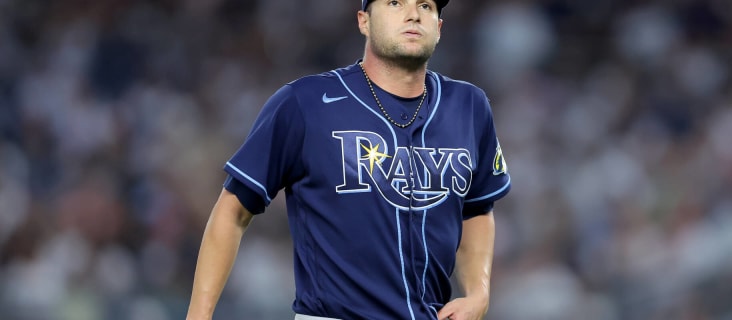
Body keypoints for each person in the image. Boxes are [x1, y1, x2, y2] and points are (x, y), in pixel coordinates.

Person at [186, 0, 510, 319]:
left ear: (438, 28)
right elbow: (233, 209)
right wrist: (199, 315)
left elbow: (478, 208)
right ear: (363, 21)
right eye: (395, 3)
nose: (413, 14)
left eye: (425, 6)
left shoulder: (469, 105)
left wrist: (479, 291)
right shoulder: (305, 103)